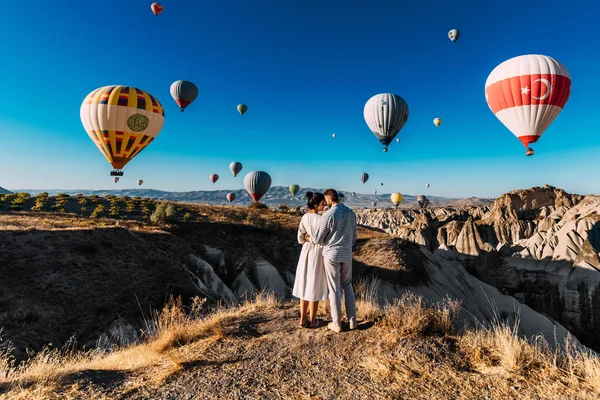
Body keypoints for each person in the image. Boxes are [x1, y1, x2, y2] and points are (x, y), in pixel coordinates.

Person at [311, 188, 357, 333]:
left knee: (334, 288)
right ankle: (352, 320)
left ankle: (336, 323)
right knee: (347, 285)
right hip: (347, 254)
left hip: (332, 255)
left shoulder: (328, 215)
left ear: (330, 199)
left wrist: (323, 241)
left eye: (326, 200)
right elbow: (354, 238)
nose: (325, 203)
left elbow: (317, 239)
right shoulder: (351, 213)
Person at [293, 192, 328, 328]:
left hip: (306, 252)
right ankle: (313, 321)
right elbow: (325, 239)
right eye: (322, 203)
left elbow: (299, 238)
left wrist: (307, 239)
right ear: (315, 204)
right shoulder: (322, 220)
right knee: (315, 286)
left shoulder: (305, 217)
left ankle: (302, 319)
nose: (324, 205)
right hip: (318, 252)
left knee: (305, 284)